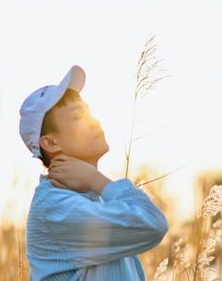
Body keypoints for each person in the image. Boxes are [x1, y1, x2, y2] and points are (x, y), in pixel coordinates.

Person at [19, 65, 168, 280]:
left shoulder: (93, 201)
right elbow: (152, 223)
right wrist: (97, 180)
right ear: (51, 143)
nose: (94, 120)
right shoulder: (55, 207)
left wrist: (96, 184)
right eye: (78, 116)